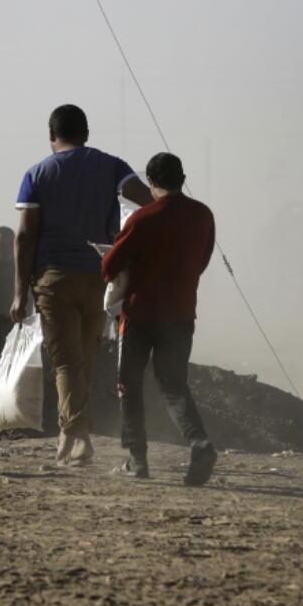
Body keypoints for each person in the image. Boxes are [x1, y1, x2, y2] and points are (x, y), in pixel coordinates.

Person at [10, 104, 152, 466]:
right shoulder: (113, 166)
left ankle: (79, 437)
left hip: (53, 277)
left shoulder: (37, 174)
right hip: (99, 275)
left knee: (65, 362)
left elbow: (25, 237)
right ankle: (68, 435)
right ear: (86, 134)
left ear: (50, 136)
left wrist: (19, 292)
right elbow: (148, 202)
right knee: (83, 358)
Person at [101, 152, 218, 486]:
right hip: (181, 314)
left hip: (139, 316)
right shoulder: (202, 215)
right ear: (182, 178)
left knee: (129, 385)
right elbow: (203, 260)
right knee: (174, 386)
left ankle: (138, 460)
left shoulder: (142, 219)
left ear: (151, 182)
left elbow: (109, 267)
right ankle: (200, 443)